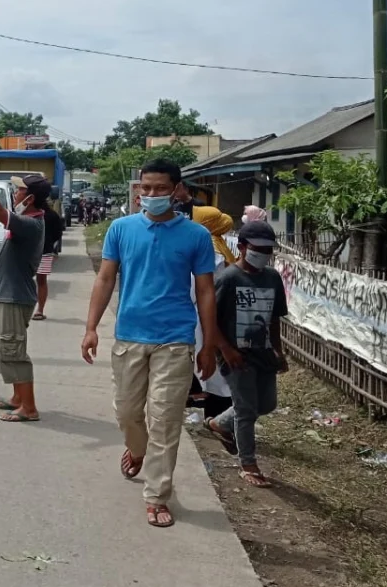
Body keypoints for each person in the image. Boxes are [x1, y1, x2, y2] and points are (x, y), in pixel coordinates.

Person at [81, 159, 222, 529]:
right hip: (129, 336)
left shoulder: (196, 236)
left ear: (176, 190)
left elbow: (206, 291)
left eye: (160, 188)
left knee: (165, 420)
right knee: (127, 412)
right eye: (146, 188)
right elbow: (105, 278)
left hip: (175, 340)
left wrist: (208, 344)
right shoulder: (121, 229)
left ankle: (157, 495)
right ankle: (138, 448)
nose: (152, 195)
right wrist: (91, 327)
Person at [204, 221, 288, 488]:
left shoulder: (272, 278)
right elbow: (210, 319)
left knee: (266, 404)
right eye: (257, 248)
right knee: (246, 410)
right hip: (235, 354)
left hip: (263, 351)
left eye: (268, 250)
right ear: (241, 247)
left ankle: (218, 424)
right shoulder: (228, 279)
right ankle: (248, 463)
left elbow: (274, 318)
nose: (263, 254)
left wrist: (278, 348)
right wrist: (225, 350)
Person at [0, 162, 47, 424]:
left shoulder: (30, 223)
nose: (15, 195)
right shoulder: (29, 221)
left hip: (14, 296)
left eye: (19, 191)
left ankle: (29, 407)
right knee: (5, 347)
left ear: (30, 198)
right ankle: (17, 398)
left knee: (13, 350)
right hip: (7, 294)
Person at [188, 206, 237, 416]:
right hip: (211, 311)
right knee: (211, 367)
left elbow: (203, 286)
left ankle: (214, 413)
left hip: (206, 311)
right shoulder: (217, 246)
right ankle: (214, 412)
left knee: (211, 364)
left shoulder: (210, 247)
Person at [32, 202, 64, 321]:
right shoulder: (26, 214)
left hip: (45, 252)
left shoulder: (51, 215)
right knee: (25, 280)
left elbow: (58, 233)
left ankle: (39, 310)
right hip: (26, 252)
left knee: (41, 280)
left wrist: (49, 243)